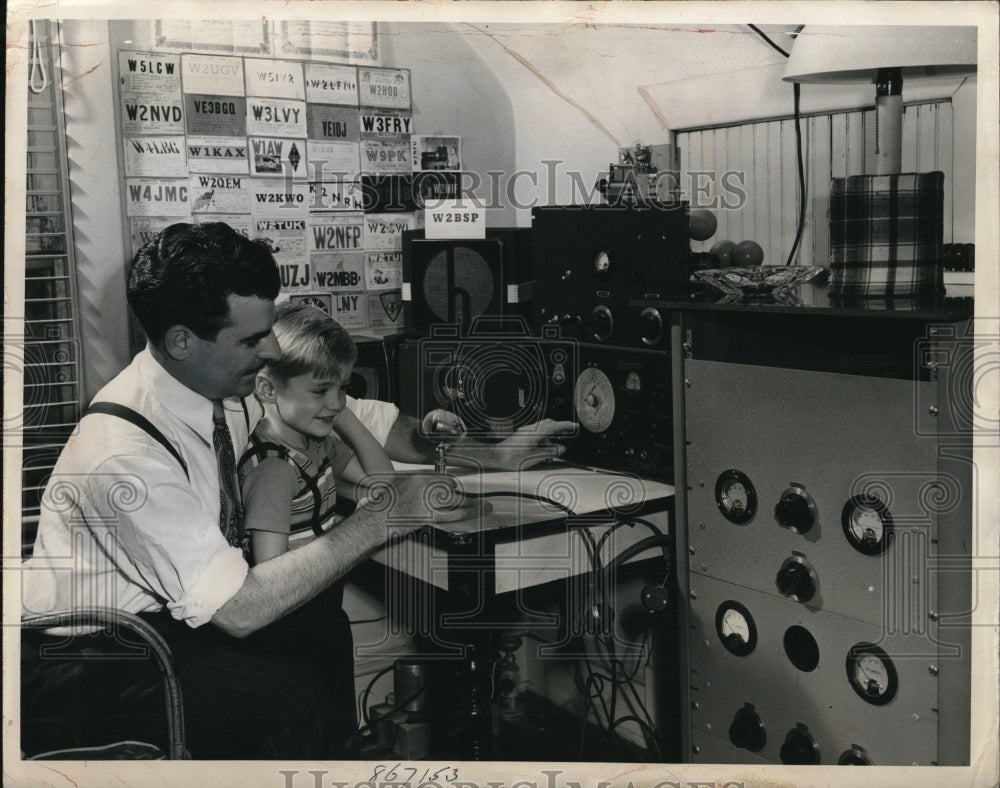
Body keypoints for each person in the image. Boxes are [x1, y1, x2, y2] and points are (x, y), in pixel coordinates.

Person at [20, 222, 465, 759]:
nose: (273, 349)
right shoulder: (123, 454)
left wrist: (489, 450)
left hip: (169, 619)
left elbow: (372, 420)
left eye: (270, 329)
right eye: (254, 339)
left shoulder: (222, 383)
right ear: (182, 341)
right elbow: (238, 609)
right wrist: (383, 518)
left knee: (322, 626)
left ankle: (337, 764)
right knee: (285, 700)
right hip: (94, 662)